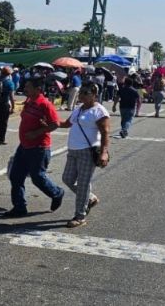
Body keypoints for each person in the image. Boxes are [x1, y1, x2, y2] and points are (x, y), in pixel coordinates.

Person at [2, 77, 65, 218]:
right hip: (24, 146)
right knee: (16, 176)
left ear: (38, 89)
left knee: (37, 177)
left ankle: (57, 193)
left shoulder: (45, 104)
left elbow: (55, 124)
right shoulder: (29, 101)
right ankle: (19, 207)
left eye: (28, 87)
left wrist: (36, 132)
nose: (25, 89)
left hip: (39, 147)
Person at [59, 83, 110, 228]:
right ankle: (90, 198)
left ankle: (80, 216)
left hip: (88, 151)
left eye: (85, 93)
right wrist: (51, 122)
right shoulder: (78, 109)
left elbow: (105, 133)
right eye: (81, 92)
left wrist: (104, 152)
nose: (81, 95)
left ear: (94, 95)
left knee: (83, 184)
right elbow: (67, 124)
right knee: (67, 178)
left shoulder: (99, 111)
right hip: (73, 151)